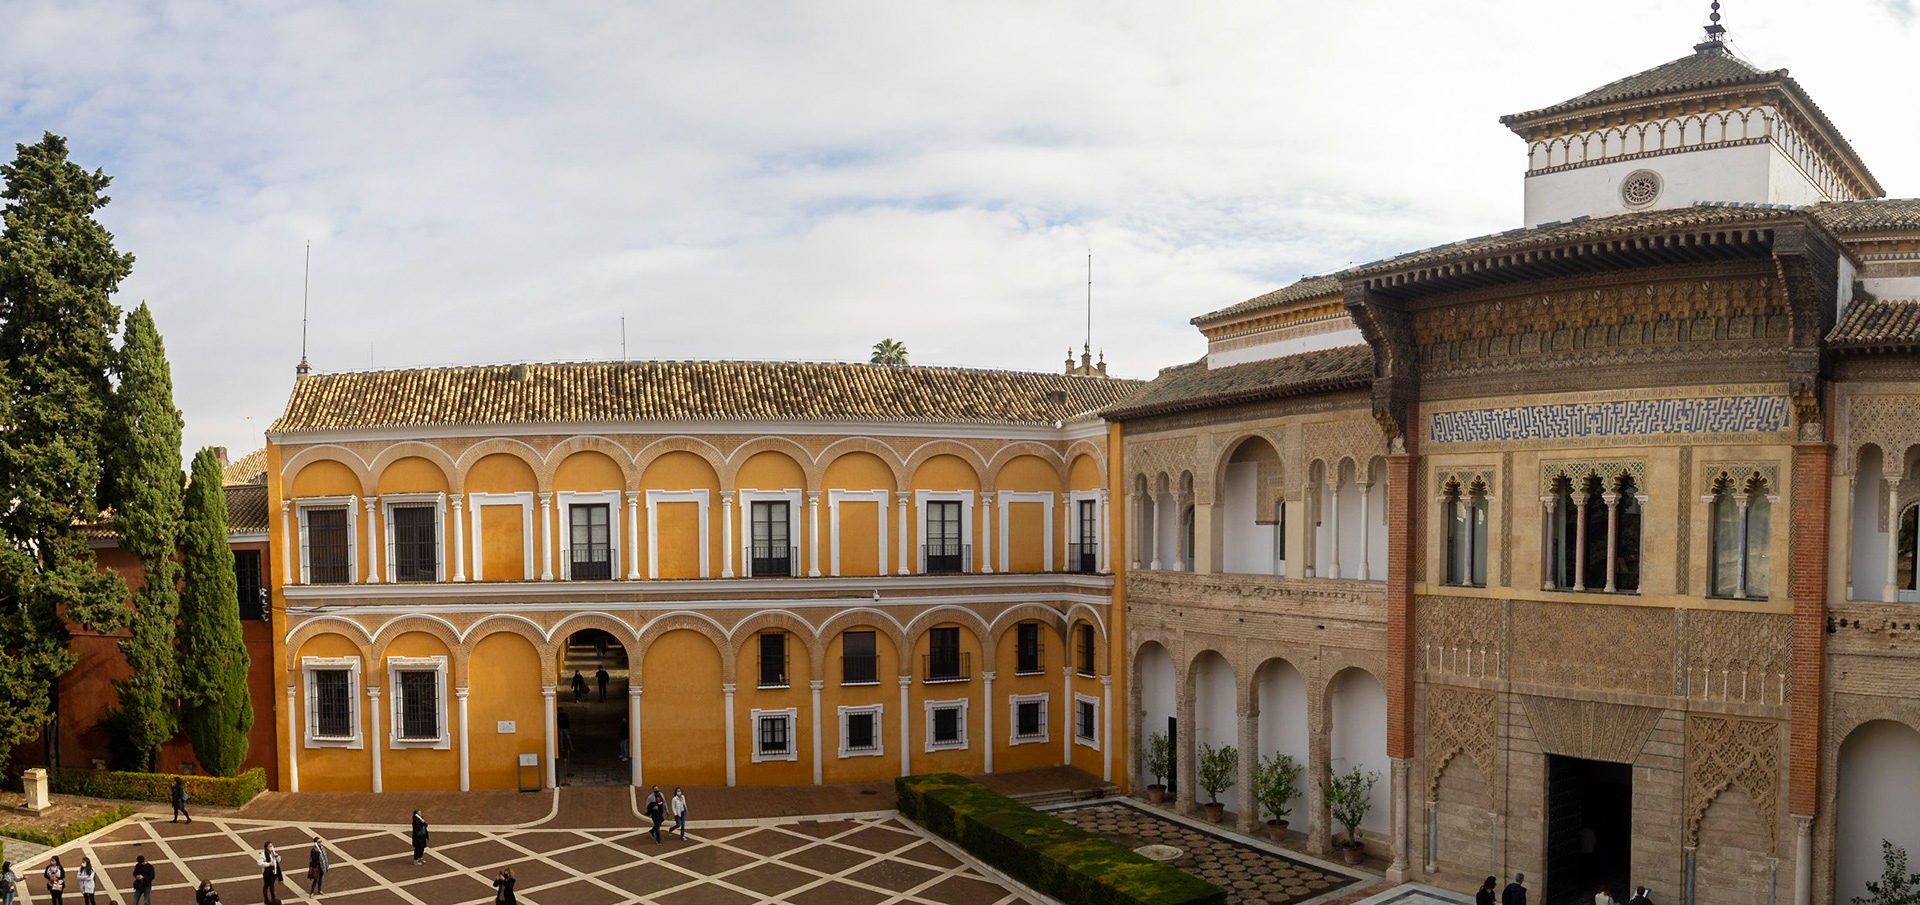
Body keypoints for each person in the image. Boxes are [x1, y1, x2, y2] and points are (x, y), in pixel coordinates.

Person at [261, 841, 283, 905]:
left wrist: (276, 856)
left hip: (274, 871)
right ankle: (266, 899)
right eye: (270, 846)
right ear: (266, 847)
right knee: (266, 885)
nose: (271, 847)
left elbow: (278, 860)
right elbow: (259, 863)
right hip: (267, 873)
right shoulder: (263, 854)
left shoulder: (273, 852)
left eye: (272, 846)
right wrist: (268, 864)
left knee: (272, 885)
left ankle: (273, 898)